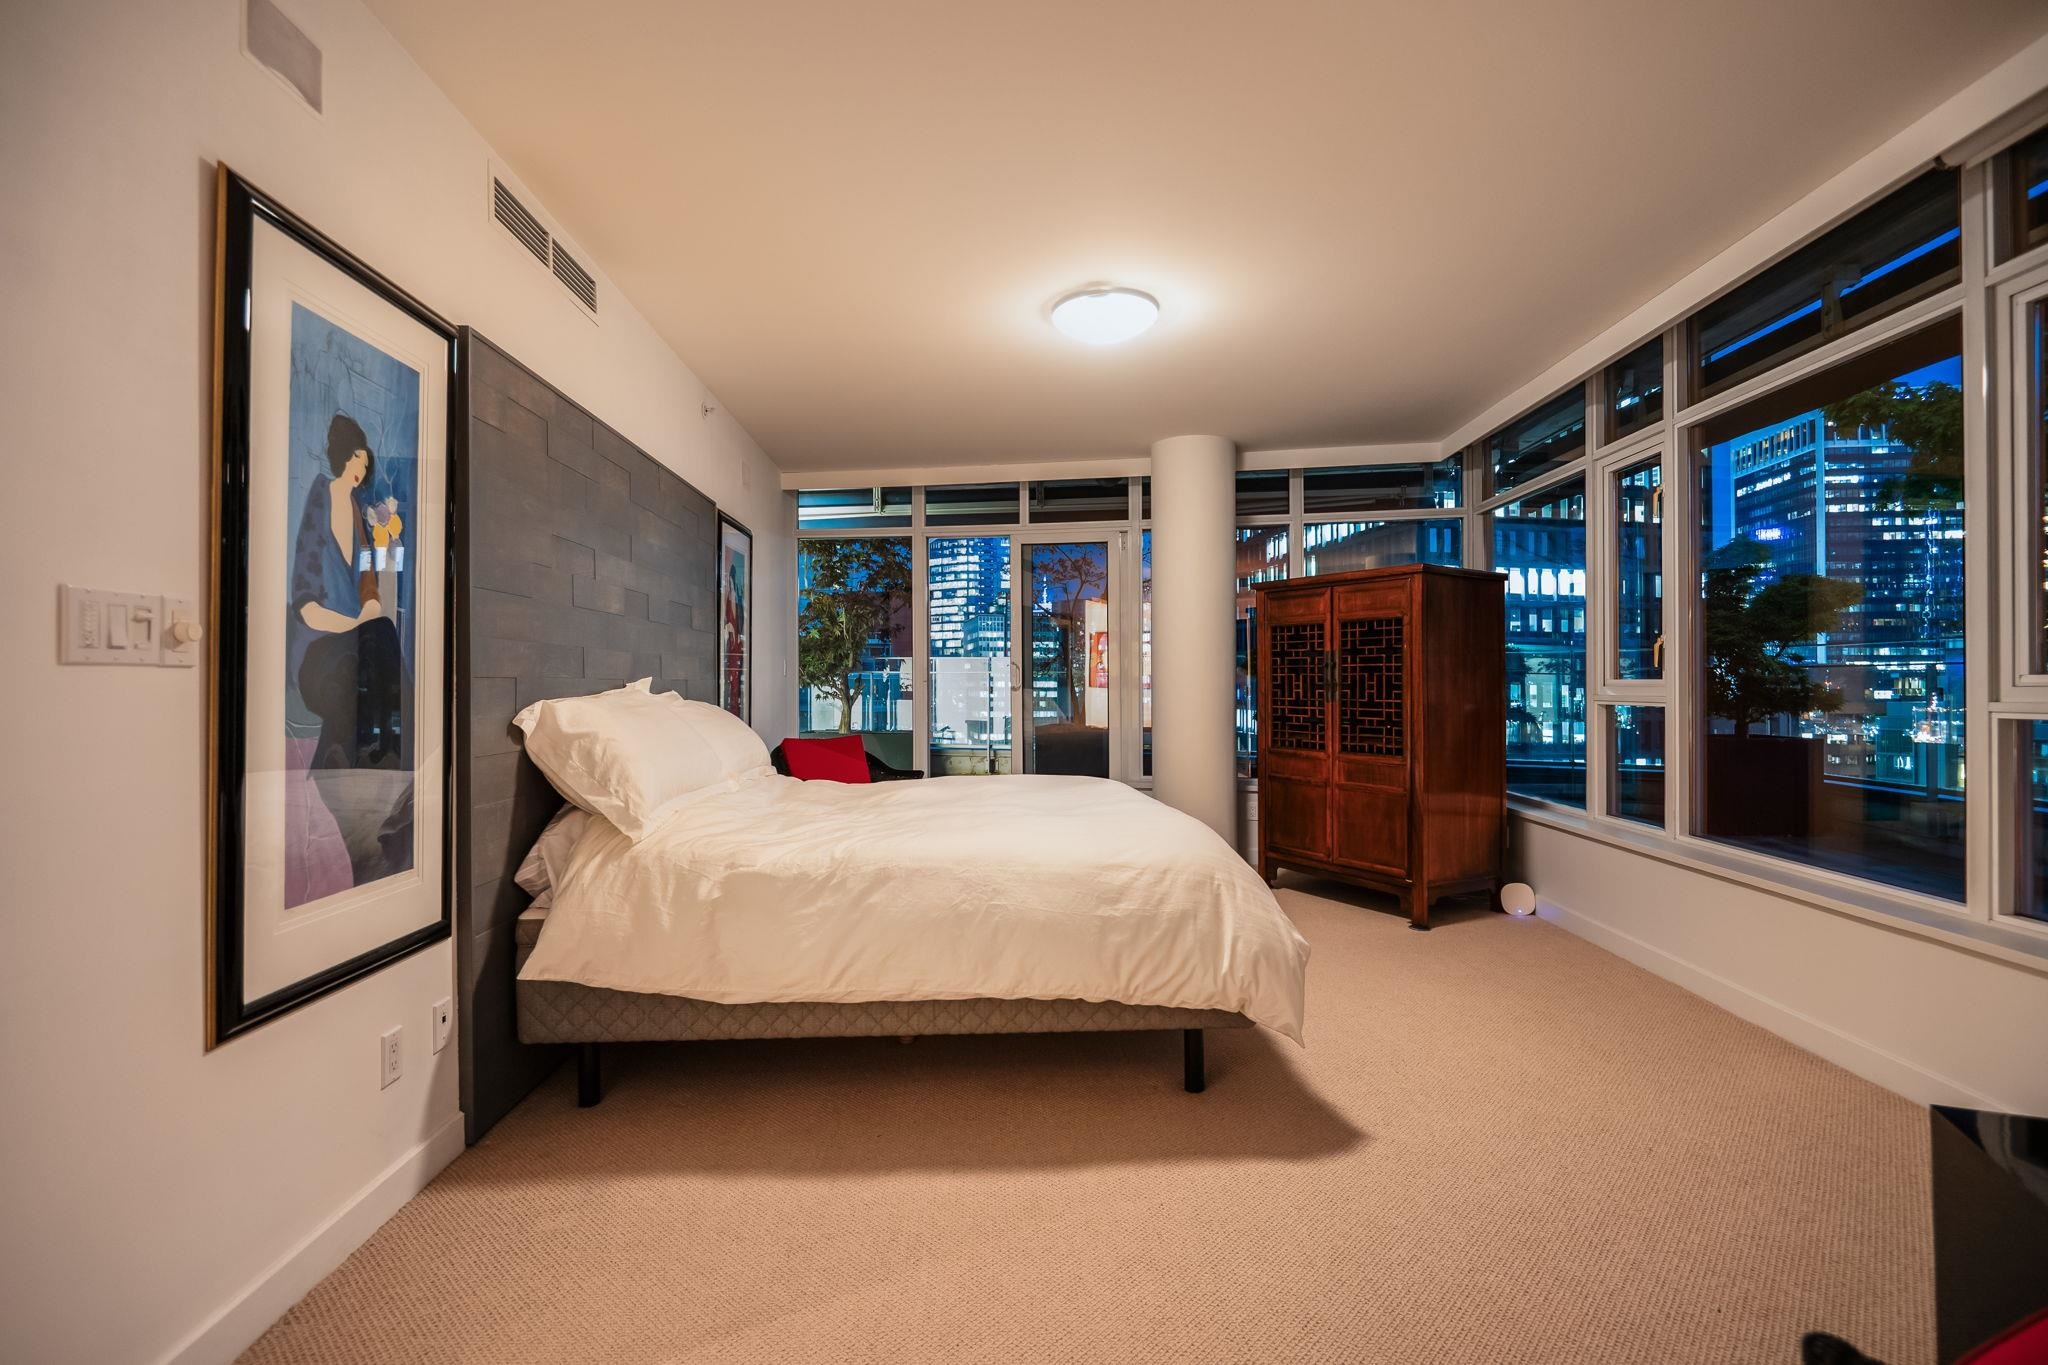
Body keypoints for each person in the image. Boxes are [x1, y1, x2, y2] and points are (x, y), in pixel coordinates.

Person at [289, 413, 411, 881]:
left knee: (381, 635)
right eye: (357, 461)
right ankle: (398, 787)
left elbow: (370, 580)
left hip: (354, 638)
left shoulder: (360, 514)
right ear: (343, 456)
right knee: (376, 641)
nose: (361, 471)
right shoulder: (320, 497)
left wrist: (371, 607)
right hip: (317, 644)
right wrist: (353, 624)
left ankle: (381, 783)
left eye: (365, 465)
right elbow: (305, 598)